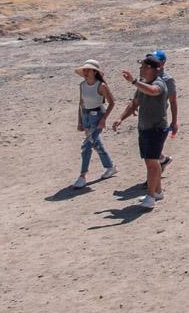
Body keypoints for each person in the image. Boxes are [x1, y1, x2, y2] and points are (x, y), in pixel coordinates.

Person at [110, 53, 170, 209]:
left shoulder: (159, 83)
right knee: (151, 161)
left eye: (142, 66)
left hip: (156, 128)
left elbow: (153, 91)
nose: (140, 69)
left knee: (152, 162)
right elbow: (134, 103)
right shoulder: (142, 84)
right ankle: (157, 191)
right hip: (144, 128)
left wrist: (134, 81)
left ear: (150, 68)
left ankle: (150, 197)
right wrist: (121, 118)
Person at [72, 60, 116, 188]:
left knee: (87, 146)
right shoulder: (82, 85)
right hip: (86, 116)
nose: (85, 72)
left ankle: (82, 176)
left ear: (94, 72)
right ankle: (110, 166)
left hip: (97, 117)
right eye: (84, 70)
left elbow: (112, 102)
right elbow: (81, 103)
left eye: (88, 70)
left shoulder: (101, 86)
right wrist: (79, 121)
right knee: (95, 143)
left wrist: (104, 119)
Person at [152, 48, 179, 166]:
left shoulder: (168, 80)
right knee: (149, 148)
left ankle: (154, 176)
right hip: (146, 115)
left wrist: (174, 121)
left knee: (152, 149)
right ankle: (163, 160)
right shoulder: (147, 75)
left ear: (163, 63)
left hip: (159, 118)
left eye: (156, 61)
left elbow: (173, 101)